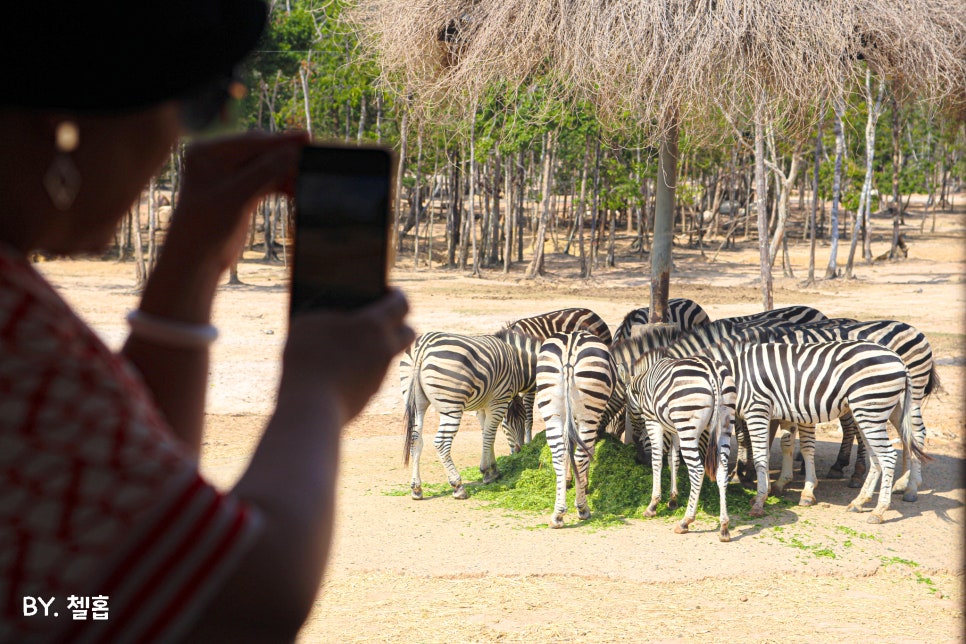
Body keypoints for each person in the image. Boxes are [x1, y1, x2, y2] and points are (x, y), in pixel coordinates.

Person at [0, 1, 414, 641]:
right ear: (68, 122)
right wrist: (319, 391)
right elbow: (242, 602)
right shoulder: (15, 326)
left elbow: (118, 532)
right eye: (196, 104)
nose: (182, 141)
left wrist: (189, 267)